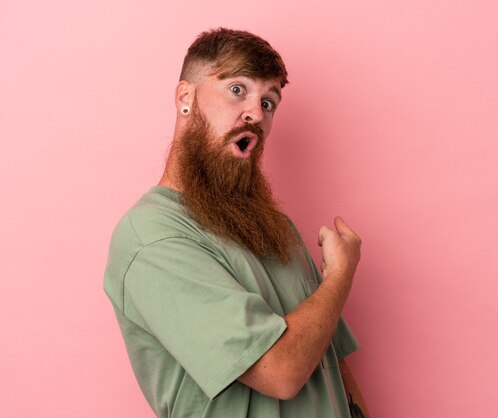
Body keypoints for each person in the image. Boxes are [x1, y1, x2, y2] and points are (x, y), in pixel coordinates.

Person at [104, 28, 368, 418]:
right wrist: (341, 274)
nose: (257, 113)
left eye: (269, 101)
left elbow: (333, 363)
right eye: (237, 90)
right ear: (185, 98)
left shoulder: (276, 228)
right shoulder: (151, 238)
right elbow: (280, 372)